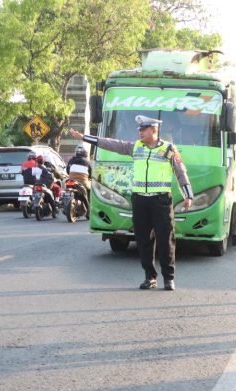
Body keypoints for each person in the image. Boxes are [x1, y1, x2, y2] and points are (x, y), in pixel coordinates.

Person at [69, 116, 193, 291]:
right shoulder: (136, 147)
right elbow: (111, 144)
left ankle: (168, 278)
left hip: (161, 201)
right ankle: (150, 277)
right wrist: (85, 138)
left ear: (154, 130)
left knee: (166, 239)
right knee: (143, 240)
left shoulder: (168, 149)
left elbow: (181, 171)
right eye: (139, 130)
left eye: (143, 129)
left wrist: (188, 195)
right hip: (140, 200)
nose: (140, 132)